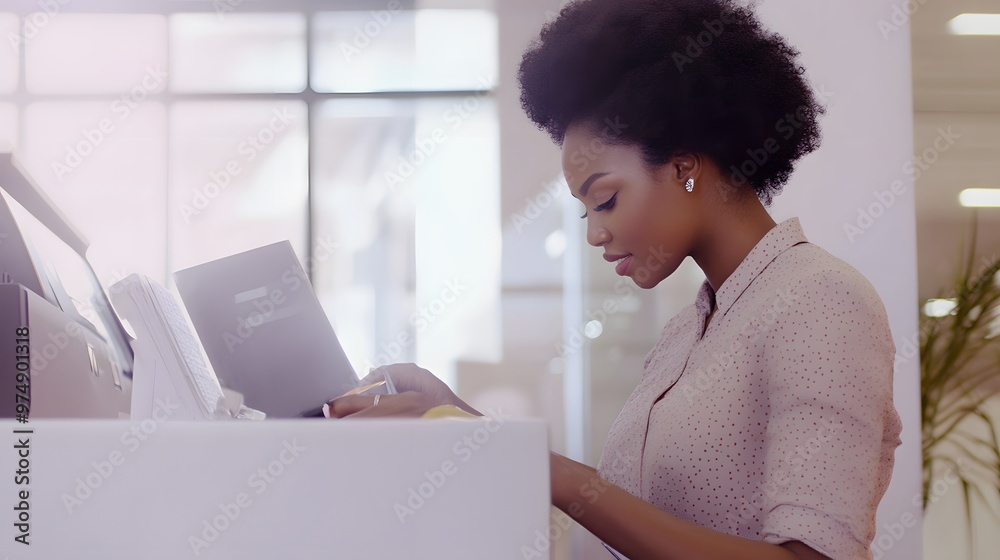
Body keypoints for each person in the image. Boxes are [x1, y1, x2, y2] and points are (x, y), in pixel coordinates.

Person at [328, 1, 903, 558]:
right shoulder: (688, 334)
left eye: (604, 200)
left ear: (682, 168)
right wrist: (461, 423)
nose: (593, 234)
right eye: (586, 210)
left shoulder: (821, 300)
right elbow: (637, 525)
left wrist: (549, 473)